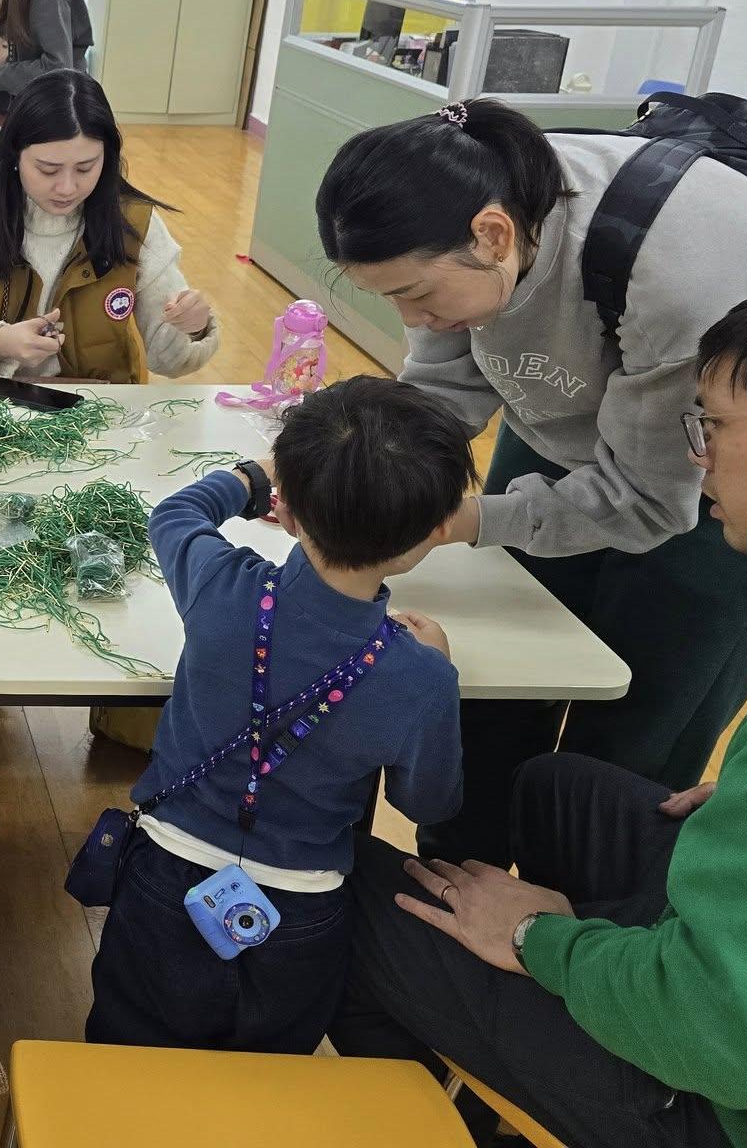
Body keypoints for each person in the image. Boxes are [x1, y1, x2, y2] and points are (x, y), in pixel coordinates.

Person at [331, 286, 747, 1148]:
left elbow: (731, 1037)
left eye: (715, 428)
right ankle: (517, 1073)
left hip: (734, 1104)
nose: (699, 458)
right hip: (746, 1012)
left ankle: (471, 1090)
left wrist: (541, 937)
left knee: (357, 893)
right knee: (553, 788)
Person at [315, 97, 747, 867]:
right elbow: (441, 384)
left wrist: (459, 522)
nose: (416, 319)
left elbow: (644, 500)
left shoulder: (681, 270)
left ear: (495, 235)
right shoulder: (449, 219)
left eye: (417, 294)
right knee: (497, 682)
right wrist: (359, 471)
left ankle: (568, 929)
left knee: (632, 738)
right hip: (561, 434)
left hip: (719, 498)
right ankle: (454, 886)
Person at [86, 377, 468, 1055]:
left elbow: (174, 516)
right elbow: (428, 800)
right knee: (267, 1066)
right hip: (302, 906)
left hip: (161, 874)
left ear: (288, 512)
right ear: (437, 532)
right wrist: (439, 668)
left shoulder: (224, 586)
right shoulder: (421, 675)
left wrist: (252, 477)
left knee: (127, 1040)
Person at [0, 69, 217, 382]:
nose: (67, 188)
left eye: (85, 167)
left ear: (107, 158)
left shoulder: (133, 222)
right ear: (14, 156)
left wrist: (193, 326)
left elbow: (170, 361)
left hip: (89, 412)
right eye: (48, 169)